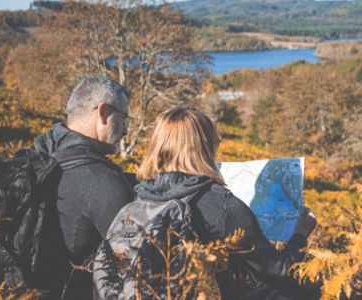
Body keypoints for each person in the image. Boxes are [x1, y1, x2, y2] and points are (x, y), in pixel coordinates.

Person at [133, 107, 319, 300]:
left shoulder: (139, 196)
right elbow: (279, 271)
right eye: (216, 143)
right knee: (307, 290)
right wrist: (301, 234)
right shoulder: (223, 205)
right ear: (205, 149)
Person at [31, 75, 135, 299]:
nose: (125, 131)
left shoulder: (38, 159)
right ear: (103, 112)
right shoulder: (104, 183)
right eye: (124, 118)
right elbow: (136, 271)